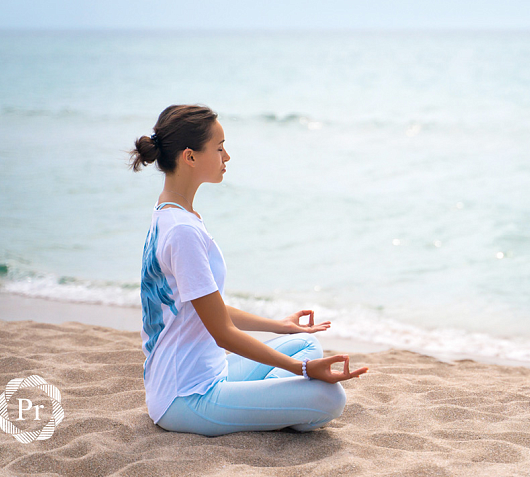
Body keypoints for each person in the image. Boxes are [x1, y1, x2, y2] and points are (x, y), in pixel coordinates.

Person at [128, 104, 367, 436]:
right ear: (190, 157)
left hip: (207, 373)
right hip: (187, 397)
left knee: (305, 343)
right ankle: (280, 404)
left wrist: (280, 326)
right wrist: (302, 370)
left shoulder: (170, 214)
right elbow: (222, 332)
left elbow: (207, 309)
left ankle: (271, 402)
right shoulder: (182, 231)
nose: (227, 157)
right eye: (219, 148)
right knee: (330, 398)